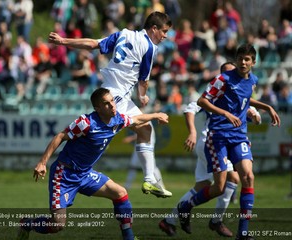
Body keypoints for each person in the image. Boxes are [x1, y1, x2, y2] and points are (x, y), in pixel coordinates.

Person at [16, 87, 169, 240]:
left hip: (85, 174)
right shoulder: (86, 123)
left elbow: (136, 119)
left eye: (112, 101)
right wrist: (42, 163)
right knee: (57, 224)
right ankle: (27, 224)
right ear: (98, 108)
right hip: (64, 175)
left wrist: (157, 115)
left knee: (120, 193)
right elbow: (60, 136)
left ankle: (128, 237)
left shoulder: (118, 119)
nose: (112, 105)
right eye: (106, 104)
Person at [48, 11, 173, 198]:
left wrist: (64, 41)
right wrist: (143, 95)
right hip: (116, 98)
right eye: (163, 31)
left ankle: (149, 180)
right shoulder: (150, 47)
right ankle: (149, 180)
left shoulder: (123, 33)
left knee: (145, 130)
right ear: (153, 29)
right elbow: (144, 80)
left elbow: (93, 44)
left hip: (108, 91)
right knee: (137, 129)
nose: (165, 36)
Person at [177, 44, 281, 240]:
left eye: (247, 59)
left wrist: (266, 107)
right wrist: (225, 113)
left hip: (239, 136)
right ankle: (186, 206)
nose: (243, 62)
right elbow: (202, 101)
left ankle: (243, 232)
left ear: (253, 62)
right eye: (240, 58)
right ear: (236, 59)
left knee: (248, 177)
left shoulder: (253, 80)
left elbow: (245, 99)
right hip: (218, 137)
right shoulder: (223, 79)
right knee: (219, 187)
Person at [159, 62, 261, 238]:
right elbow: (191, 108)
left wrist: (256, 115)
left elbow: (253, 113)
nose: (232, 77)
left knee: (203, 186)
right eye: (227, 74)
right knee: (233, 178)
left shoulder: (240, 94)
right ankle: (216, 221)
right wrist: (192, 132)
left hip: (218, 142)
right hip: (212, 141)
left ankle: (169, 220)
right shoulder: (214, 91)